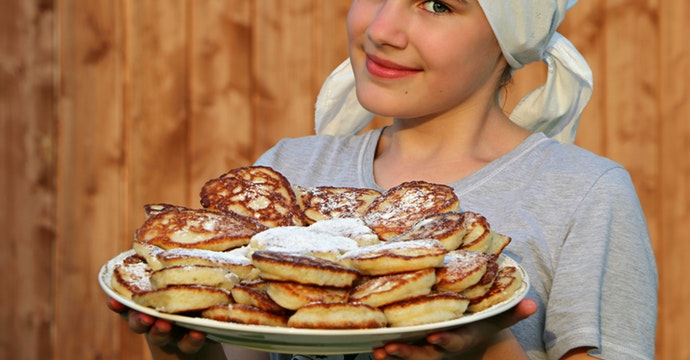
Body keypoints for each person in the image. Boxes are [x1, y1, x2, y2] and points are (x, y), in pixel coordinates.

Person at [107, 0, 658, 359]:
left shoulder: (585, 194)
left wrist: (484, 349)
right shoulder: (290, 173)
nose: (381, 28)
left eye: (438, 4)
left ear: (510, 37)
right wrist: (188, 347)